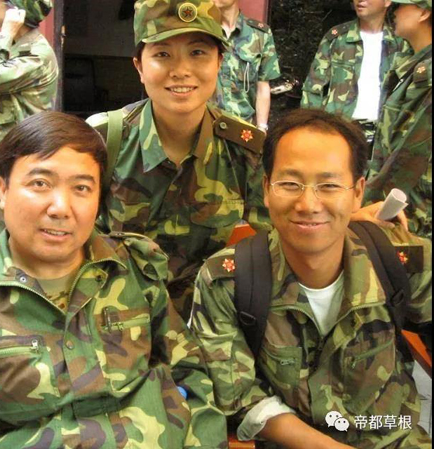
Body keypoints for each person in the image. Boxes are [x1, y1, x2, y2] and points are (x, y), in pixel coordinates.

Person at [0, 111, 227, 448]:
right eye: (40, 183)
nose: (61, 208)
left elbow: (190, 377)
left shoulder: (134, 270)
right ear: (2, 190)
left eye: (81, 188)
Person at [191, 109, 432, 448]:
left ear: (358, 192)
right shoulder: (228, 280)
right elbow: (240, 395)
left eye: (329, 185)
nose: (308, 204)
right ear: (266, 188)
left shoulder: (403, 260)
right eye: (290, 184)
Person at [88, 0, 270, 321]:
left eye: (197, 52)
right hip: (116, 318)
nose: (181, 70)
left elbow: (275, 240)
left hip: (206, 321)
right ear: (139, 67)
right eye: (162, 54)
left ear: (219, 62)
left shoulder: (245, 149)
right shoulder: (103, 139)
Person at [0, 0, 58, 240]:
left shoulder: (35, 55)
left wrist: (4, 35)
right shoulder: (16, 48)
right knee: (2, 246)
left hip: (20, 169)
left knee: (13, 247)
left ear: (16, 11)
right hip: (3, 167)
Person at [365, 0, 432, 239]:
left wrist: (365, 204)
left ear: (424, 13)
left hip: (413, 209)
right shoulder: (411, 64)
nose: (393, 12)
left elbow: (410, 151)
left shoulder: (427, 74)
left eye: (401, 5)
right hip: (401, 203)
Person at [301, 0, 411, 142]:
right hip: (340, 132)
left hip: (385, 136)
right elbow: (313, 88)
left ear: (387, 2)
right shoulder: (337, 38)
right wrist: (311, 128)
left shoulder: (401, 42)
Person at [213, 0, 281, 129]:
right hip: (205, 125)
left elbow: (262, 86)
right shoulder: (201, 32)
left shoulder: (260, 34)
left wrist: (261, 127)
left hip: (243, 128)